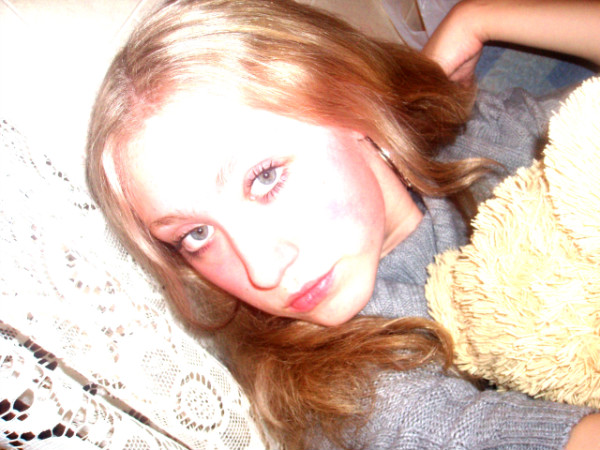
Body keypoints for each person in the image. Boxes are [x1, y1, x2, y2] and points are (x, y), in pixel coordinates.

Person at [85, 0, 600, 448]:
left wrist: (479, 16)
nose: (262, 272)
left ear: (352, 105)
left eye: (264, 177)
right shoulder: (350, 393)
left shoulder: (474, 139)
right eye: (194, 236)